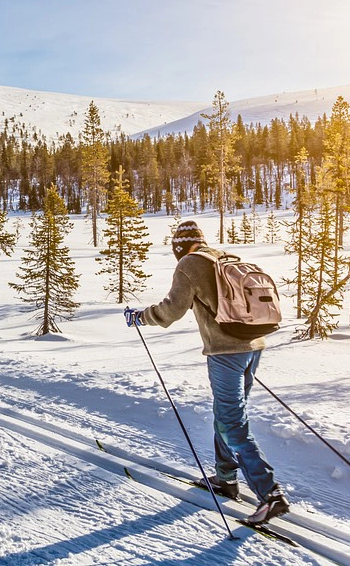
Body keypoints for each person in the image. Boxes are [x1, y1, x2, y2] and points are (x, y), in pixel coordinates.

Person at [123, 219, 289, 525]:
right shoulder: (223, 257)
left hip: (226, 353)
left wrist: (140, 318)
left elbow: (172, 310)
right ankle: (226, 478)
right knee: (225, 415)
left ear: (179, 247)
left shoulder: (189, 264)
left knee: (231, 421)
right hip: (253, 347)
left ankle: (270, 495)